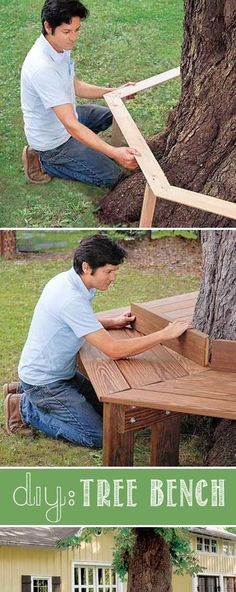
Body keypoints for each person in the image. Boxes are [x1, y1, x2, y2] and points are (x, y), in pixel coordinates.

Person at [4, 233, 190, 447]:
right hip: (46, 383)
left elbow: (76, 321)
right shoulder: (70, 298)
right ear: (86, 267)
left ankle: (22, 389)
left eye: (115, 271)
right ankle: (24, 407)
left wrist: (111, 322)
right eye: (108, 271)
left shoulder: (68, 281)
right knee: (99, 436)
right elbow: (114, 350)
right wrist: (164, 334)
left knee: (109, 413)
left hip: (61, 374)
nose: (113, 277)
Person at [21, 0, 139, 186]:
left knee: (112, 114)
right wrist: (114, 153)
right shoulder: (42, 67)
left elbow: (75, 86)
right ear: (47, 26)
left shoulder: (58, 46)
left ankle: (83, 149)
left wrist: (114, 92)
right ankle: (44, 161)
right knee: (112, 176)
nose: (73, 38)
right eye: (67, 32)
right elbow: (71, 125)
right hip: (54, 142)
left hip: (67, 117)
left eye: (77, 30)